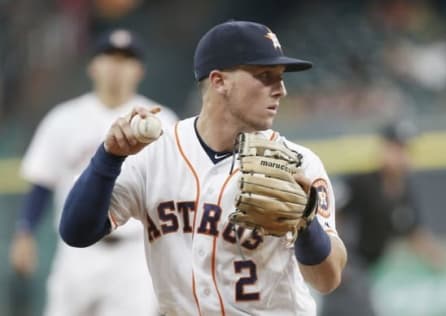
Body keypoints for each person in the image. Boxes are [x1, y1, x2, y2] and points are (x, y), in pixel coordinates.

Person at [59, 20, 347, 315]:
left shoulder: (296, 164)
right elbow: (76, 233)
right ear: (219, 81)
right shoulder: (155, 154)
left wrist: (306, 225)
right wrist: (109, 157)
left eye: (281, 77)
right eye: (265, 76)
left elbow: (327, 279)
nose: (281, 90)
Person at [9, 28, 178, 316]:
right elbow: (42, 182)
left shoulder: (162, 121)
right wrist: (25, 232)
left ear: (139, 69)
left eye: (126, 59)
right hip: (76, 253)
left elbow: (174, 192)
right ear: (92, 65)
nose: (117, 66)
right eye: (109, 57)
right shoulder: (63, 118)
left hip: (133, 256)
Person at [320, 120, 446, 316]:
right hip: (348, 267)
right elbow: (329, 212)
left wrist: (435, 256)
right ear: (384, 148)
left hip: (364, 270)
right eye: (396, 147)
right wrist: (332, 256)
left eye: (405, 149)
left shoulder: (403, 192)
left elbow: (412, 230)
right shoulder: (361, 182)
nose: (401, 155)